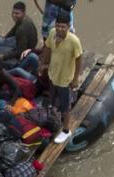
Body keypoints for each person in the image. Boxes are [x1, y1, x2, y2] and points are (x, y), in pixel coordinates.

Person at [39, 12, 84, 144]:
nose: (59, 29)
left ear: (68, 26)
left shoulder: (74, 41)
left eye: (63, 27)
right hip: (53, 74)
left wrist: (75, 79)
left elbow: (79, 58)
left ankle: (66, 131)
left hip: (65, 79)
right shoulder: (52, 33)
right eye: (58, 26)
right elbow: (47, 48)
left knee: (65, 107)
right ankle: (54, 118)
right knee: (52, 99)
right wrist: (42, 64)